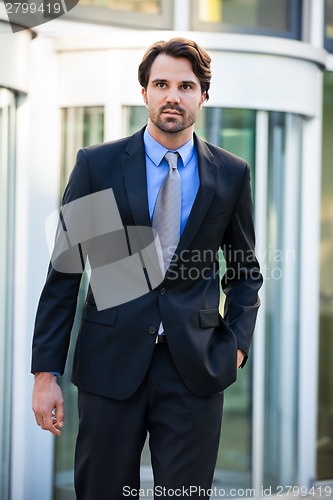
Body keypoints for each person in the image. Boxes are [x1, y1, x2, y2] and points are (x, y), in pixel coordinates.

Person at [31, 38, 263, 500]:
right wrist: (45, 374)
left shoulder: (230, 173)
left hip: (195, 370)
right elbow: (66, 273)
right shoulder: (98, 166)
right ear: (145, 92)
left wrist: (235, 347)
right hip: (110, 366)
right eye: (161, 84)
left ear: (202, 96)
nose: (172, 95)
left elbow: (244, 270)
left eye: (185, 86)